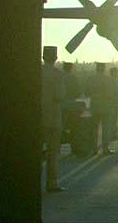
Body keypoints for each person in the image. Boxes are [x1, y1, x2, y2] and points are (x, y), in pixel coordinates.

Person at [41, 46, 66, 192]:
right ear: (55, 58)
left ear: (43, 57)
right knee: (53, 152)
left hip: (38, 115)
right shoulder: (58, 74)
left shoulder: (36, 71)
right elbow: (60, 95)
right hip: (53, 117)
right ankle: (52, 183)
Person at [87, 63, 115, 155]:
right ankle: (105, 148)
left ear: (96, 69)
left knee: (93, 129)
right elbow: (110, 94)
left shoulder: (91, 79)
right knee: (105, 128)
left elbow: (87, 92)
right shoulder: (108, 80)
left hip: (94, 106)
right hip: (105, 106)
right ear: (104, 69)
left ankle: (94, 148)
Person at [109, 67, 118, 140]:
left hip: (112, 102)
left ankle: (112, 134)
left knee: (112, 119)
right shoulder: (113, 81)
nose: (117, 73)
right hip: (114, 102)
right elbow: (115, 91)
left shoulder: (110, 80)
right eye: (116, 72)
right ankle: (113, 134)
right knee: (113, 119)